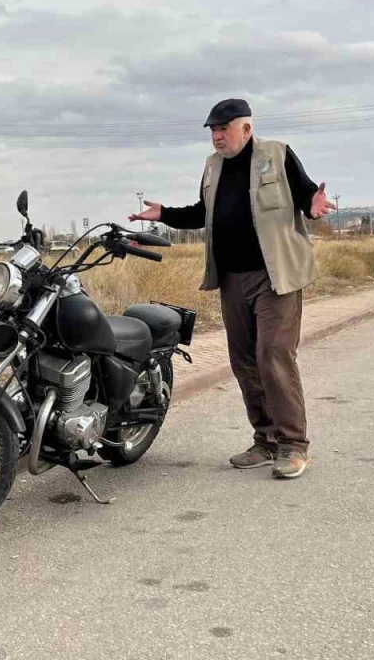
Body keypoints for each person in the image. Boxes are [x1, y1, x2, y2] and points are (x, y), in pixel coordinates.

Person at [130, 99, 336, 479]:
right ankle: (265, 440)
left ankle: (292, 444)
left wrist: (314, 204)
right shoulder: (212, 167)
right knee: (244, 361)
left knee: (273, 352)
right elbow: (202, 212)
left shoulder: (278, 155)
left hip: (277, 277)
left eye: (223, 128)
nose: (217, 136)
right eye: (212, 130)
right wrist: (164, 215)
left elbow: (307, 193)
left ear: (246, 128)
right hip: (232, 279)